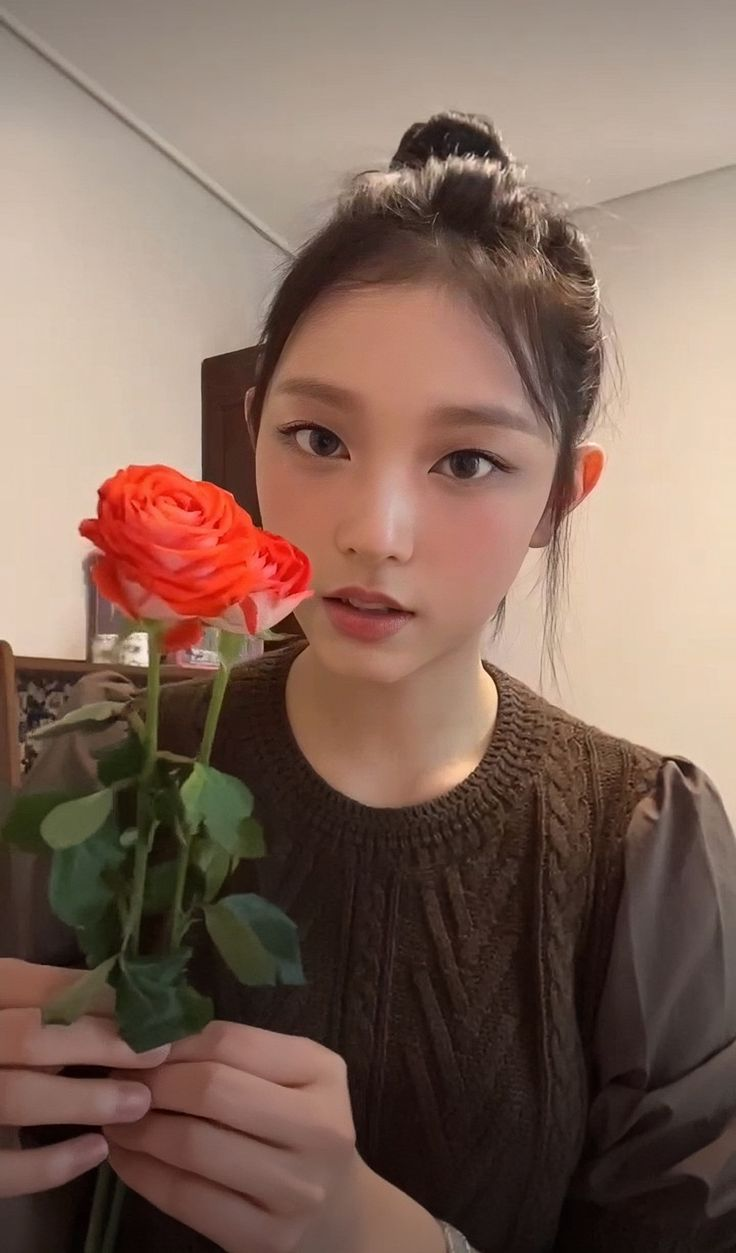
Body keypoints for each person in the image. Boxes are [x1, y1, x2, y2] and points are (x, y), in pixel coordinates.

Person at [1, 111, 735, 1253]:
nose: (372, 531)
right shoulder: (108, 768)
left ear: (559, 497)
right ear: (255, 426)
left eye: (468, 460)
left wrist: (370, 1230)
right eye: (319, 438)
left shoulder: (640, 849)